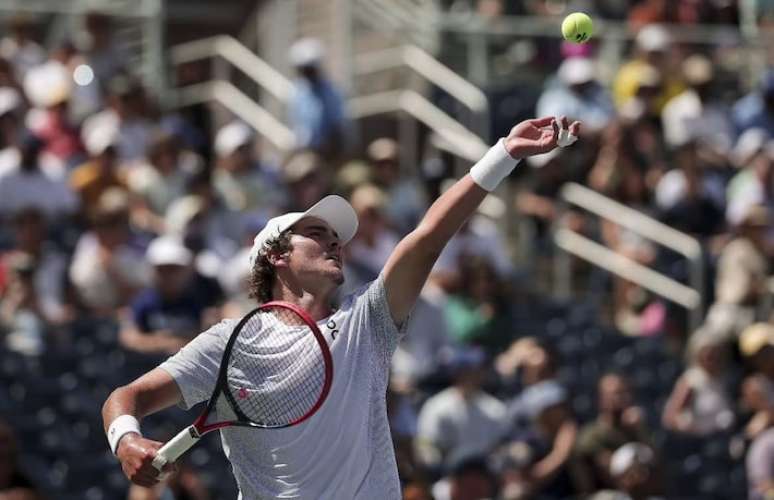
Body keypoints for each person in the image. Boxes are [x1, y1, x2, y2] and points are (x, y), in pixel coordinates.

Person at [101, 116, 581, 497]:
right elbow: (125, 398)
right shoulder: (230, 343)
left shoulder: (367, 322)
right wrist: (126, 439)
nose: (335, 245)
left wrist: (502, 155)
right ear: (277, 255)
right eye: (317, 235)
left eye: (337, 239)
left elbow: (428, 238)